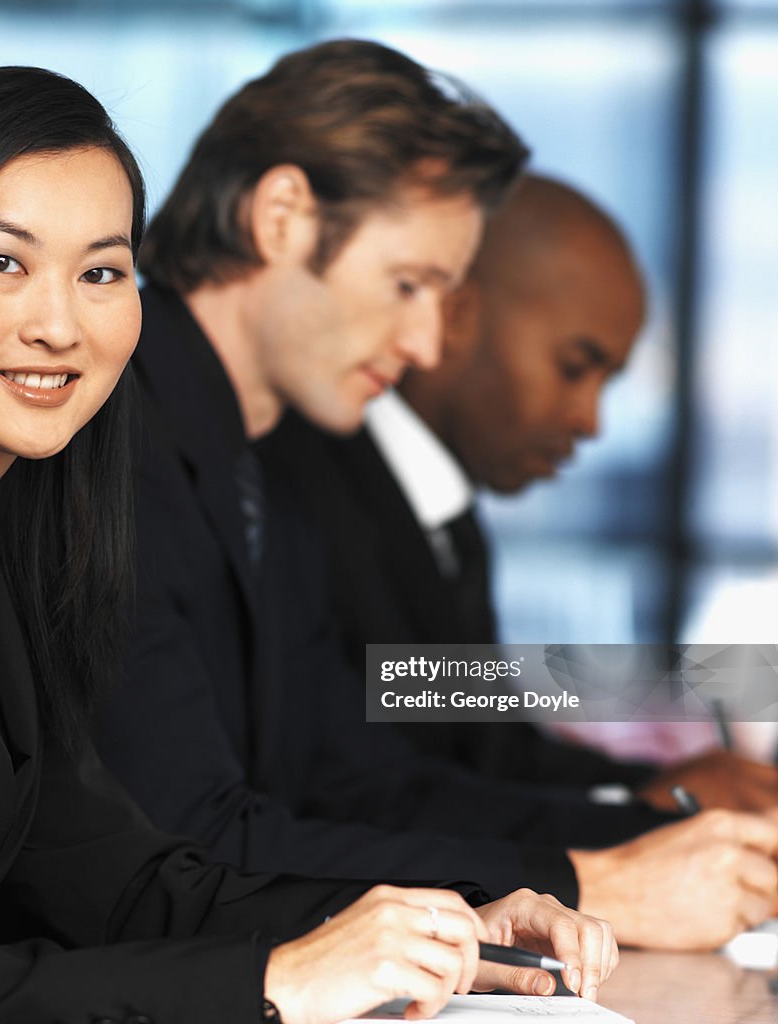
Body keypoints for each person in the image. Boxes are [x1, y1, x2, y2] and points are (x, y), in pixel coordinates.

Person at [0, 66, 616, 1024]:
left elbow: (126, 879)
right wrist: (277, 984)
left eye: (102, 273)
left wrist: (456, 921)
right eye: (2, 261)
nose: (57, 326)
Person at [93, 41, 778, 953]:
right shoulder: (107, 442)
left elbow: (360, 777)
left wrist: (655, 845)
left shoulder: (256, 465)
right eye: (410, 285)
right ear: (284, 217)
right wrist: (598, 877)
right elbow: (184, 840)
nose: (425, 343)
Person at [267, 173, 778, 814]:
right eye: (574, 368)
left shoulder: (444, 516)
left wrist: (657, 792)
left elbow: (490, 751)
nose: (591, 421)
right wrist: (639, 810)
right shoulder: (302, 494)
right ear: (454, 316)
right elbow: (364, 789)